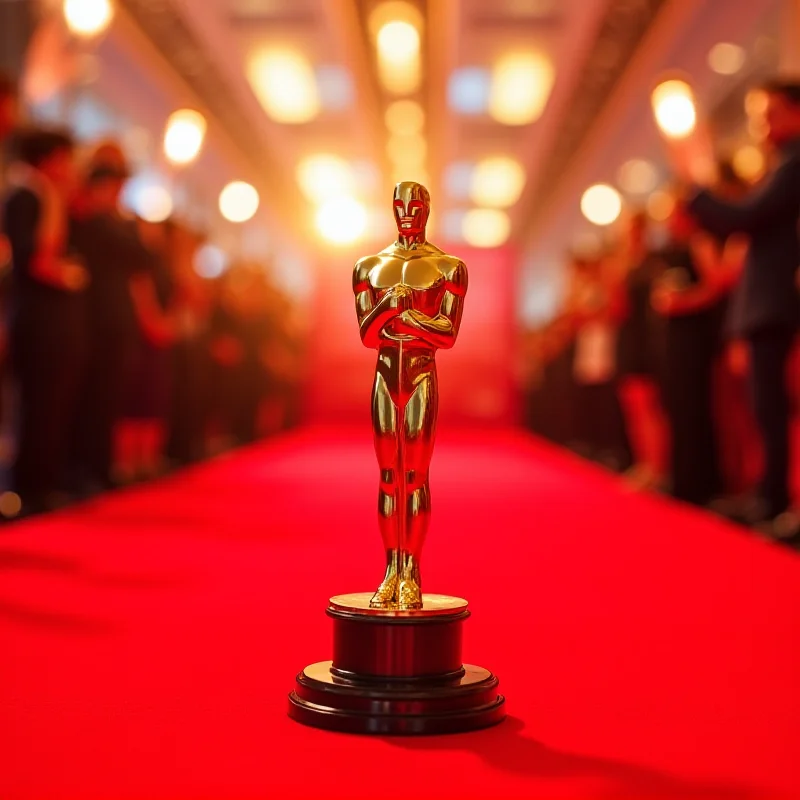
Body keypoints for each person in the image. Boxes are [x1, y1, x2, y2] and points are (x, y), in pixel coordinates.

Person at [682, 80, 800, 534]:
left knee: (774, 408)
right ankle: (768, 495)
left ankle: (776, 500)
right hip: (766, 303)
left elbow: (745, 218)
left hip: (778, 302)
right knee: (763, 407)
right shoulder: (780, 165)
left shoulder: (793, 165)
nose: (763, 125)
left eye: (771, 113)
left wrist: (699, 192)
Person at [2, 127, 89, 513]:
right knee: (33, 404)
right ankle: (23, 489)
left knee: (54, 404)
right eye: (65, 159)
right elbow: (26, 257)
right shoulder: (24, 193)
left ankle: (43, 485)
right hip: (34, 316)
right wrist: (64, 274)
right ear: (49, 159)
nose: (69, 168)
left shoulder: (56, 199)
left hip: (56, 320)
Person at [69, 142, 158, 493]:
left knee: (110, 398)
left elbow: (145, 260)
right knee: (86, 397)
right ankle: (81, 470)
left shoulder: (124, 220)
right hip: (88, 316)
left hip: (118, 318)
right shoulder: (82, 213)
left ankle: (100, 468)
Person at [651, 200, 724, 507]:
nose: (670, 223)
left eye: (674, 216)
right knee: (677, 406)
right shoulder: (669, 253)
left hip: (695, 337)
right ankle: (681, 478)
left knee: (694, 407)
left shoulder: (700, 242)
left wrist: (684, 303)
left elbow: (716, 284)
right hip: (675, 339)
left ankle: (699, 483)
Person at [615, 211, 669, 490]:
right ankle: (644, 462)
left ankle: (656, 466)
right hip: (628, 338)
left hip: (645, 338)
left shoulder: (652, 262)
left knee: (648, 406)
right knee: (634, 406)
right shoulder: (626, 264)